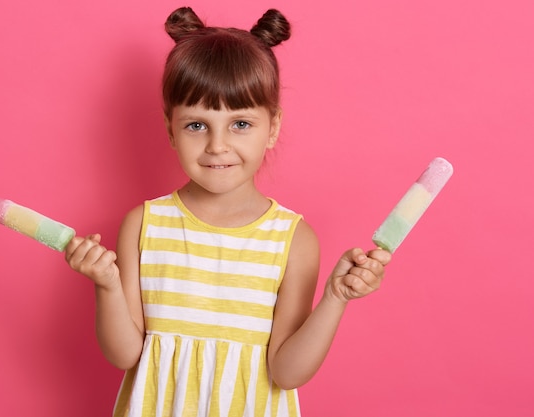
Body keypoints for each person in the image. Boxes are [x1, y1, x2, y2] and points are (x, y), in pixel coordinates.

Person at [65, 6, 391, 417]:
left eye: (240, 124)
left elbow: (286, 373)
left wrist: (335, 298)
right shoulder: (144, 225)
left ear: (272, 128)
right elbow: (125, 355)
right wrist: (107, 286)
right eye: (197, 125)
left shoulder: (293, 240)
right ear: (170, 130)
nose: (217, 145)